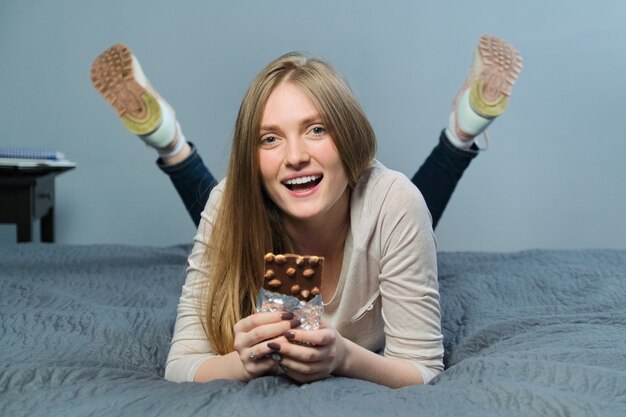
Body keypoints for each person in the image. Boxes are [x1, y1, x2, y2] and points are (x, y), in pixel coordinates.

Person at [91, 36, 522, 387]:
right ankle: (168, 141)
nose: (295, 155)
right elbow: (182, 364)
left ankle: (462, 131)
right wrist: (242, 364)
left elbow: (424, 367)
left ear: (347, 136)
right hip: (247, 201)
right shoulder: (230, 200)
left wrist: (344, 357)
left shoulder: (394, 202)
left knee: (400, 202)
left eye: (316, 129)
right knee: (228, 203)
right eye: (269, 139)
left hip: (382, 202)